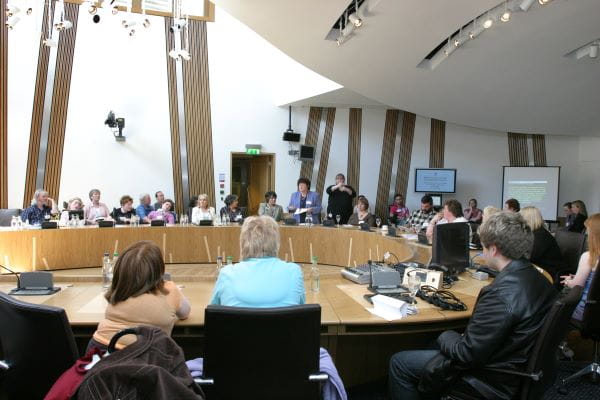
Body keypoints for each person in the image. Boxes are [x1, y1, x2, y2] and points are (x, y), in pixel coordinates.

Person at [389, 211, 555, 400]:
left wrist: (445, 333)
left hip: (492, 378)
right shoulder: (540, 279)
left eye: (483, 247)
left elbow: (465, 354)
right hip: (517, 367)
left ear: (493, 249)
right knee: (432, 344)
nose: (482, 253)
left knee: (399, 362)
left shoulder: (499, 295)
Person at [87, 241, 190, 351]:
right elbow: (185, 313)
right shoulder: (169, 289)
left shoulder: (120, 288)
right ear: (159, 269)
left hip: (98, 349)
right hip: (142, 356)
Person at [210, 216, 305, 307]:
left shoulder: (226, 273)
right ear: (276, 243)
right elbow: (301, 310)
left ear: (243, 242)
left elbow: (214, 312)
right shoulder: (294, 272)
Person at [562, 213, 599, 321]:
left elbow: (576, 286)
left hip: (584, 311)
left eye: (588, 230)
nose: (586, 233)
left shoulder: (589, 257)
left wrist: (569, 281)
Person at [520, 206, 563, 278]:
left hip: (548, 273)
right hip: (538, 269)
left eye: (521, 218)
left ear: (528, 219)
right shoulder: (535, 233)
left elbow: (529, 257)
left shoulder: (540, 235)